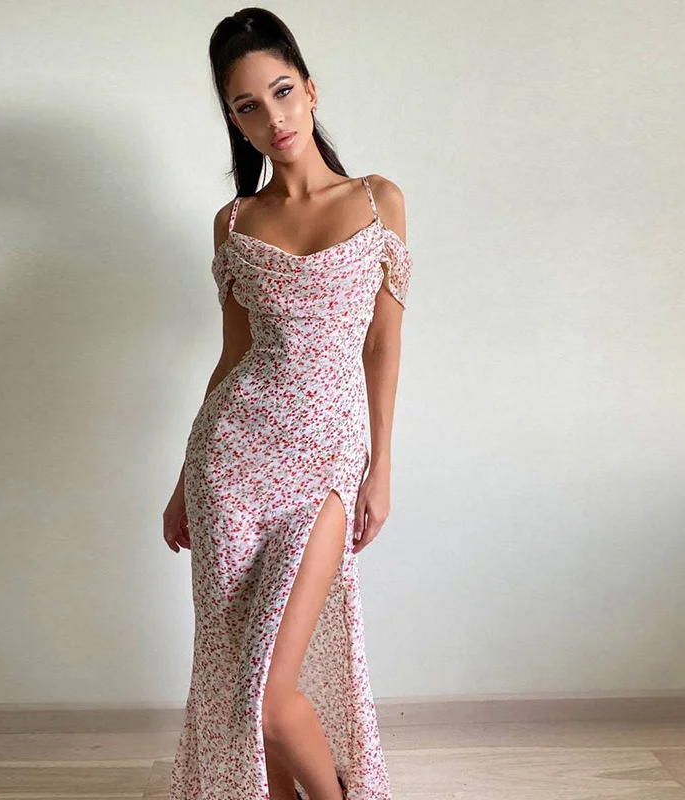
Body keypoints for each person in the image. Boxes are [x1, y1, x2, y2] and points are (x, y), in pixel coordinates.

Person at [163, 8, 412, 800]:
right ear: (233, 120)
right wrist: (185, 481)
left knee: (273, 691)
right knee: (246, 686)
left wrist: (378, 468)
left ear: (309, 89)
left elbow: (382, 347)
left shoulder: (377, 201)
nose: (272, 118)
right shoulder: (235, 223)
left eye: (280, 92)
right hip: (230, 462)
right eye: (247, 106)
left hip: (326, 458)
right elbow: (232, 356)